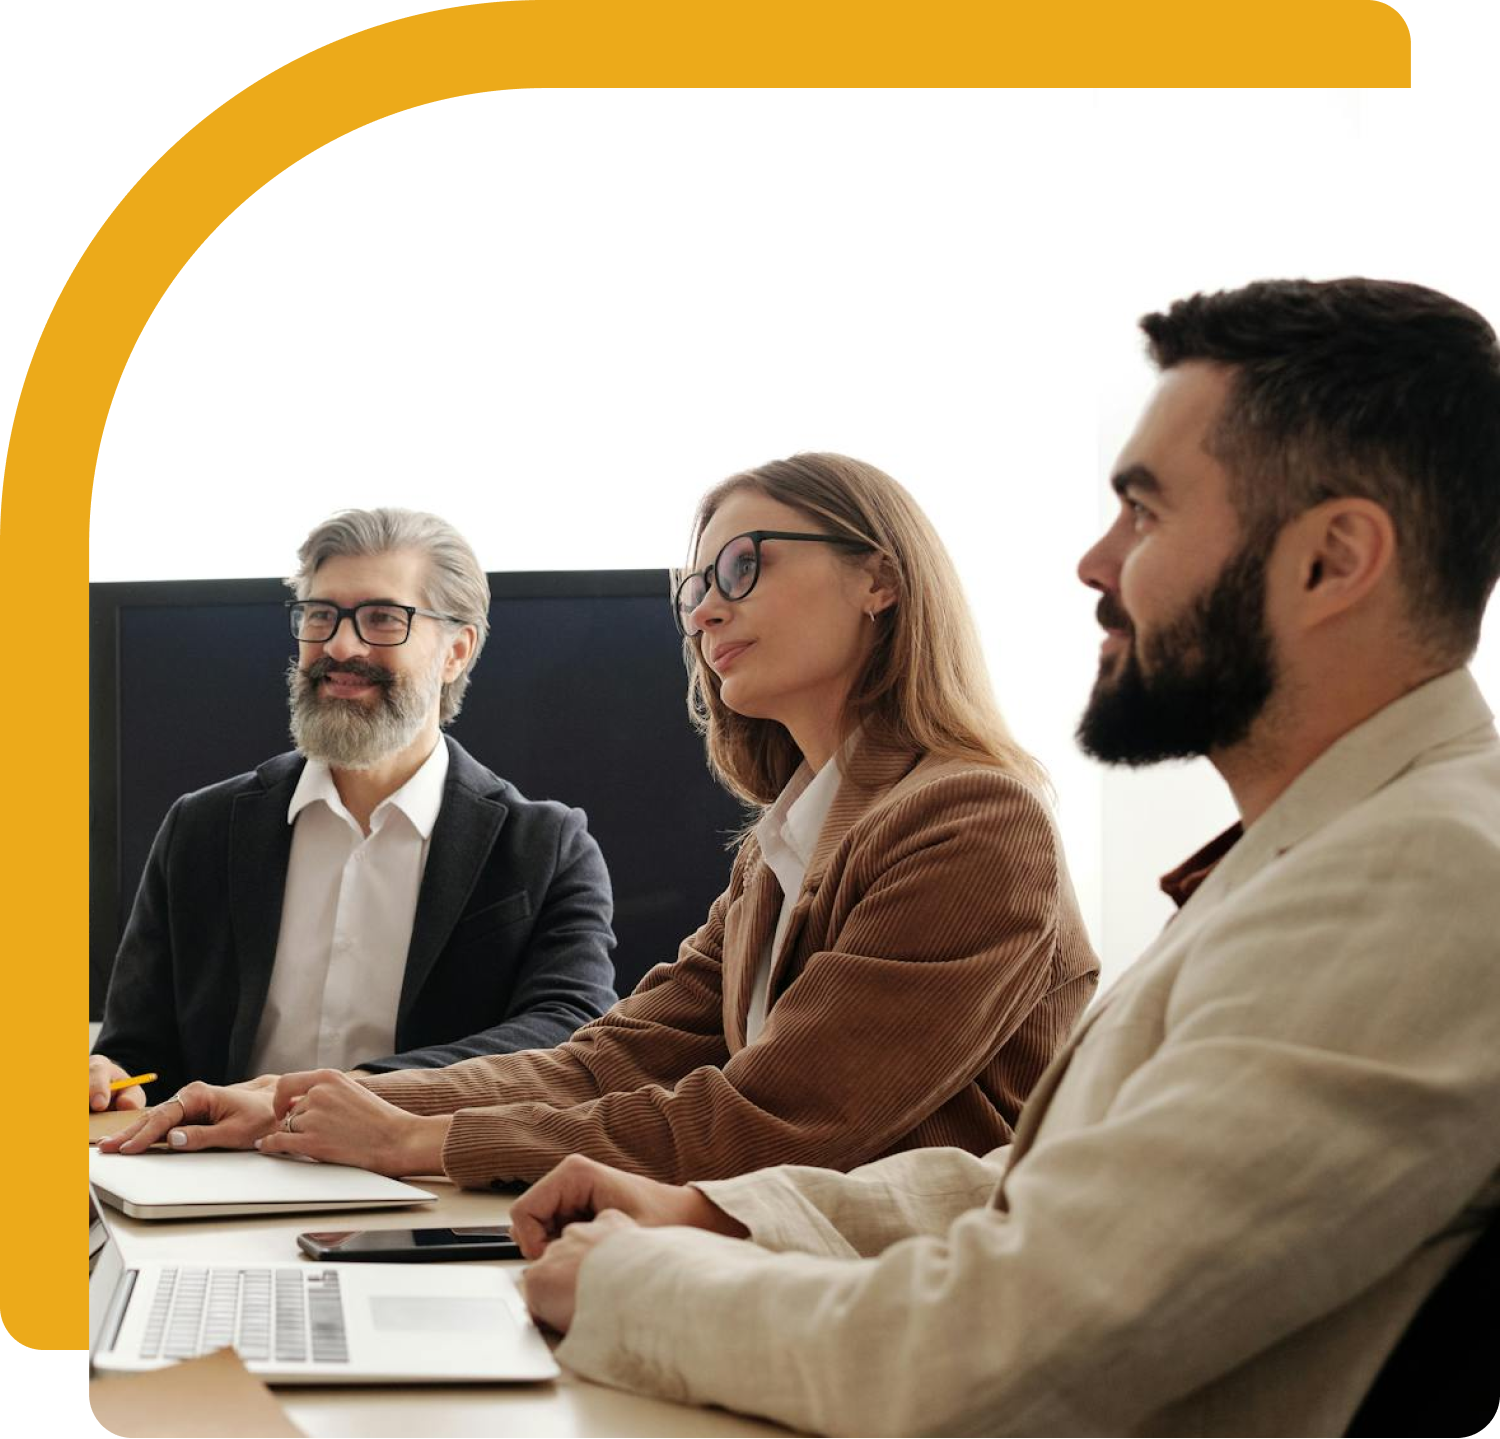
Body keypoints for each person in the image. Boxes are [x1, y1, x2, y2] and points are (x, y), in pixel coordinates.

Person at [506, 278, 1500, 1437]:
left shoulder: (1422, 878)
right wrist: (725, 1215)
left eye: (1146, 511)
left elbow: (992, 1347)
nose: (1093, 560)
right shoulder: (1337, 846)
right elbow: (1055, 1181)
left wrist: (634, 1282)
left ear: (1334, 560)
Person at [103, 454, 1099, 1183]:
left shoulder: (975, 821)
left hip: (908, 1313)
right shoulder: (785, 843)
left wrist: (424, 1139)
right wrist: (291, 1102)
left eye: (742, 566)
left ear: (880, 577)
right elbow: (612, 1056)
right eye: (697, 585)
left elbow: (781, 1117)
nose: (704, 611)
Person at [90, 507, 617, 1113]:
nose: (340, 646)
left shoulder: (546, 848)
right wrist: (112, 1077)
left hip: (431, 1194)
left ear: (456, 652)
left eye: (382, 619)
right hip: (216, 1185)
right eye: (321, 615)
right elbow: (139, 1054)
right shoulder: (202, 828)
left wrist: (344, 1094)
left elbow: (568, 1031)